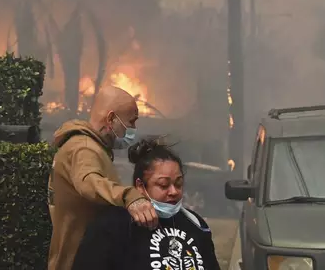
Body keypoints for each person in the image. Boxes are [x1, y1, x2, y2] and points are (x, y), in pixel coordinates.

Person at [47, 86, 158, 270]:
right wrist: (129, 197)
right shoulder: (84, 148)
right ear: (111, 119)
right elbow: (89, 182)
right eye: (131, 122)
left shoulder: (90, 146)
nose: (133, 129)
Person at [71, 139, 221, 270]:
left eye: (179, 184)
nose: (173, 191)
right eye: (163, 185)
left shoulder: (195, 223)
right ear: (141, 186)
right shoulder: (113, 225)